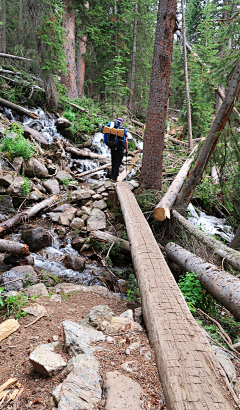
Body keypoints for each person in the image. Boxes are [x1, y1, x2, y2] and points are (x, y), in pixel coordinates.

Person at [103, 117, 128, 181]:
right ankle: (114, 177)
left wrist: (107, 144)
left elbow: (105, 137)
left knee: (113, 162)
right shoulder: (123, 129)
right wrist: (127, 150)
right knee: (117, 163)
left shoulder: (110, 128)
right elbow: (126, 141)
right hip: (120, 149)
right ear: (122, 122)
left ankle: (112, 176)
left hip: (112, 147)